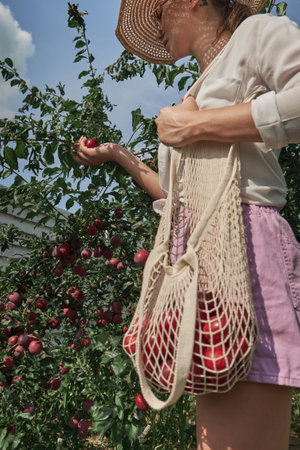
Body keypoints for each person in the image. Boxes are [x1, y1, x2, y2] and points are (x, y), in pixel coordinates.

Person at [72, 1, 300, 448]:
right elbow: (180, 197)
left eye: (158, 15)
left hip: (244, 254)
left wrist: (195, 126)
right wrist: (120, 155)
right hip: (202, 265)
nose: (155, 30)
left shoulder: (255, 34)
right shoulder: (200, 84)